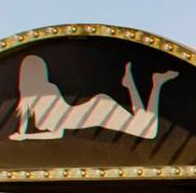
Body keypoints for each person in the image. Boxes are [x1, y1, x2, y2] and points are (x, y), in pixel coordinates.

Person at [9, 55, 179, 141]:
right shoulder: (30, 97)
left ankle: (153, 84)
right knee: (145, 128)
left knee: (148, 131)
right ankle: (143, 84)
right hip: (91, 111)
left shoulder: (42, 92)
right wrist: (22, 135)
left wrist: (24, 136)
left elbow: (57, 133)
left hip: (93, 112)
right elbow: (23, 126)